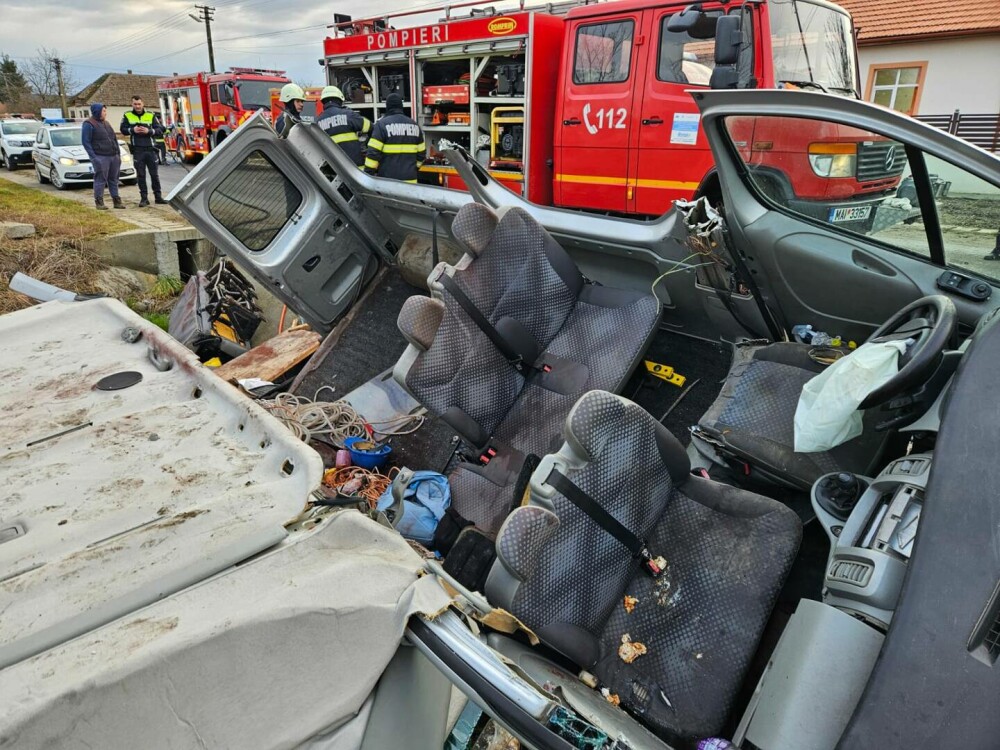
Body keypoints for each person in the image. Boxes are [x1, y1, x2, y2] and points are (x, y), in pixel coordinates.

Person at [365, 93, 425, 183]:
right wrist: (413, 169)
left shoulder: (381, 125)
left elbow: (373, 153)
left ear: (387, 107)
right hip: (411, 181)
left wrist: (367, 176)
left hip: (389, 182)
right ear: (401, 106)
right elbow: (422, 154)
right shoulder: (415, 125)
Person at [121, 95, 166, 207]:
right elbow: (123, 129)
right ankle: (144, 198)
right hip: (138, 150)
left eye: (139, 104)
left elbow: (160, 129)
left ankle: (158, 197)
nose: (137, 106)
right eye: (135, 104)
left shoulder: (150, 115)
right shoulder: (127, 115)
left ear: (143, 104)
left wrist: (149, 131)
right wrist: (133, 129)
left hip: (151, 150)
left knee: (154, 175)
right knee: (141, 175)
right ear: (132, 104)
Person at [81, 103, 125, 211]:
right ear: (97, 111)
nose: (105, 113)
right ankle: (99, 201)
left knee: (114, 179)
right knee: (100, 179)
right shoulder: (89, 124)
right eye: (103, 111)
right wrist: (94, 158)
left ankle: (116, 200)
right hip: (100, 156)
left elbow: (114, 139)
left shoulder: (107, 123)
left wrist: (118, 155)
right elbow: (86, 142)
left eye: (105, 111)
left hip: (113, 156)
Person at [316, 85, 371, 168]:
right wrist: (367, 146)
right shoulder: (349, 115)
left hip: (334, 173)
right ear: (339, 100)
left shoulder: (317, 122)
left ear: (323, 101)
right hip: (356, 170)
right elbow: (371, 127)